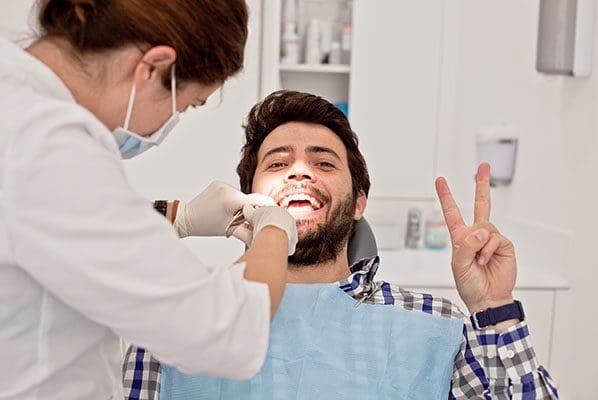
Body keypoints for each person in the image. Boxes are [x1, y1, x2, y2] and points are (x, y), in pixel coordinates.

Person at [124, 90, 559, 399]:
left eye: (323, 162)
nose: (299, 172)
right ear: (245, 200)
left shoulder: (435, 325)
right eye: (277, 162)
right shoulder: (176, 320)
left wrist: (493, 308)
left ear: (358, 203)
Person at [0, 1, 298, 398]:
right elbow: (226, 329)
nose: (169, 123)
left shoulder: (17, 103)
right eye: (186, 104)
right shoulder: (48, 144)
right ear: (154, 66)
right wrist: (274, 230)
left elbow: (42, 229)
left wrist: (176, 217)